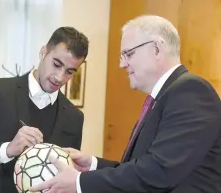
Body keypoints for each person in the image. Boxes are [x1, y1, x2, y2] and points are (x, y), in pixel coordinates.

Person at [30, 15, 221, 193]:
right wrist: (93, 165)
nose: (122, 64)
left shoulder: (191, 91)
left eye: (128, 54)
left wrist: (79, 182)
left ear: (156, 48)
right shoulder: (166, 96)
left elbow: (159, 172)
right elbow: (141, 166)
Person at [0, 26, 89, 193]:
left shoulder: (75, 117)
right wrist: (6, 150)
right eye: (56, 64)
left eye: (69, 72)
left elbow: (68, 178)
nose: (59, 77)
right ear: (43, 52)